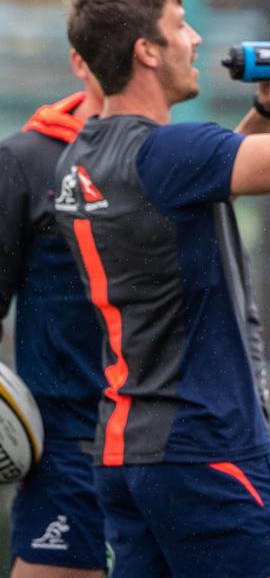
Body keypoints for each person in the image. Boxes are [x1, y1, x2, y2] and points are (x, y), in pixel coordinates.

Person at [54, 0, 270, 577]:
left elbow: (194, 193)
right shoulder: (167, 152)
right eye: (179, 25)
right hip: (205, 446)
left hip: (127, 454)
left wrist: (265, 111)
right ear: (147, 52)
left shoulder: (80, 160)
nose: (194, 39)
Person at [0, 51, 108, 577]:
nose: (193, 40)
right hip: (69, 449)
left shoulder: (170, 155)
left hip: (171, 448)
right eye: (175, 27)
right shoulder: (25, 160)